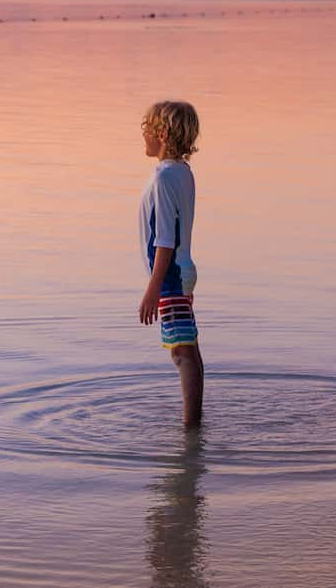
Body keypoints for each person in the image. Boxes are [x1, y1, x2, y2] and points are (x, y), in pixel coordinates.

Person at [137, 100, 203, 427]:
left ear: (161, 133)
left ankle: (191, 428)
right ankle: (195, 422)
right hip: (182, 269)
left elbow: (164, 239)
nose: (143, 136)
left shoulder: (164, 178)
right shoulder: (182, 172)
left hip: (171, 274)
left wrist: (152, 291)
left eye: (146, 129)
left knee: (181, 351)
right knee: (187, 346)